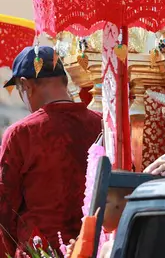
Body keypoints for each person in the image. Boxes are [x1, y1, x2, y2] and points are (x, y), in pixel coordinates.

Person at [0, 46, 102, 257]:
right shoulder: (101, 125)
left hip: (40, 251)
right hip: (95, 248)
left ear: (26, 86)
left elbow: (4, 208)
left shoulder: (21, 133)